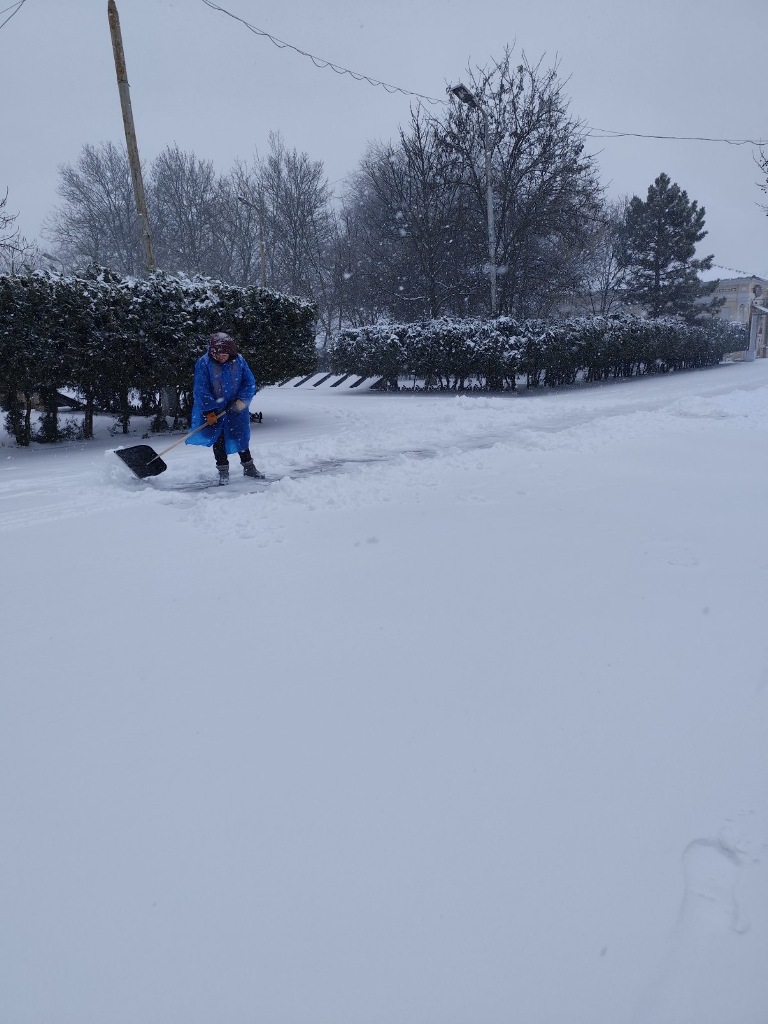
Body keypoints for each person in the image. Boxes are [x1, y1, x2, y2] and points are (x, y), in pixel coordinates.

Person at [186, 331, 264, 485]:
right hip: (214, 410)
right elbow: (201, 389)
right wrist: (209, 410)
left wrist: (242, 400)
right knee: (219, 440)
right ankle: (223, 472)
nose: (222, 357)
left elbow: (249, 382)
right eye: (218, 354)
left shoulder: (239, 361)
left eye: (225, 354)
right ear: (213, 351)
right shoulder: (204, 363)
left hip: (236, 408)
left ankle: (249, 467)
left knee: (241, 437)